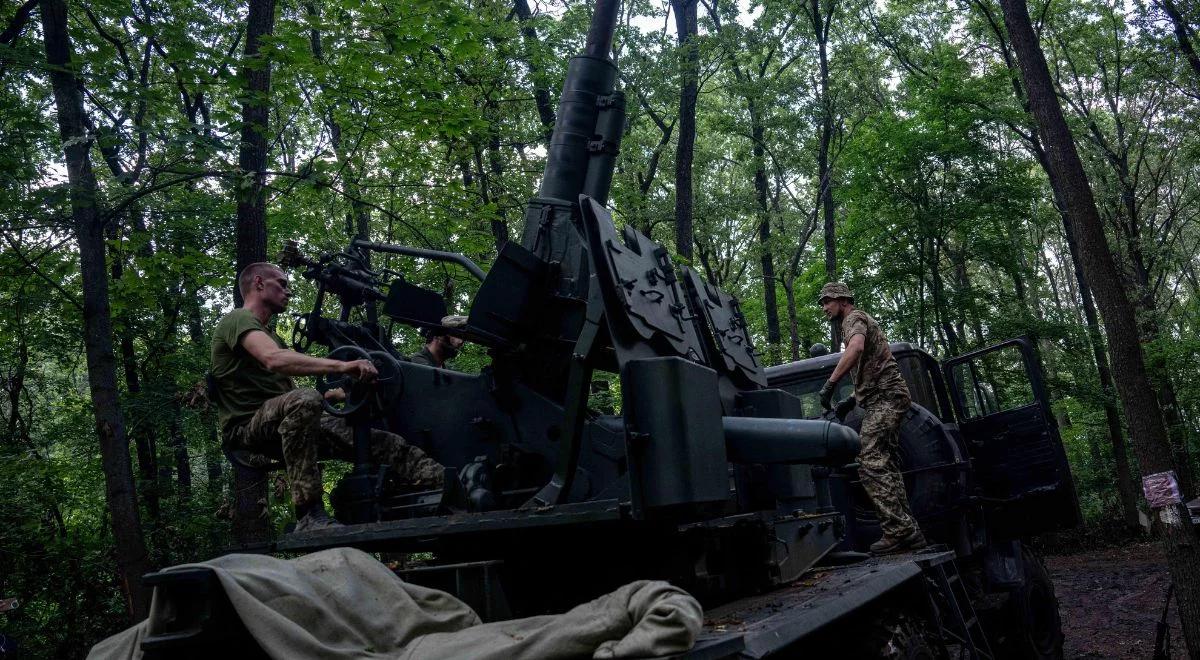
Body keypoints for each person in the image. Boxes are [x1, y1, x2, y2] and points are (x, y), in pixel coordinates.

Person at [211, 262, 445, 532]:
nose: (289, 291)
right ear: (259, 283)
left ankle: (445, 485)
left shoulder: (272, 336)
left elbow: (289, 394)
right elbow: (274, 361)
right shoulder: (238, 320)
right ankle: (309, 515)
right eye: (282, 284)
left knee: (380, 441)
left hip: (279, 419)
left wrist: (341, 392)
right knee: (304, 400)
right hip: (246, 428)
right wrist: (344, 366)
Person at [817, 282, 926, 554]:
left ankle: (899, 531)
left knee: (870, 462)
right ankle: (909, 531)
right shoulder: (856, 320)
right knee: (885, 463)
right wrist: (851, 400)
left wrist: (831, 384)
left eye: (827, 301)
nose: (825, 308)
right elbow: (873, 366)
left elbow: (855, 350)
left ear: (842, 300)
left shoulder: (854, 318)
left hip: (886, 398)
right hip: (884, 396)